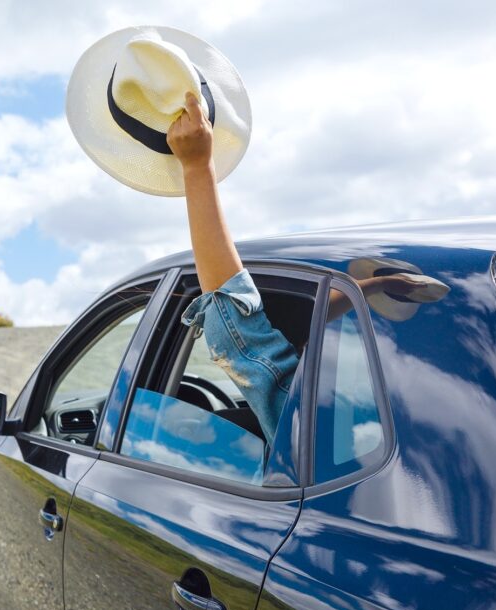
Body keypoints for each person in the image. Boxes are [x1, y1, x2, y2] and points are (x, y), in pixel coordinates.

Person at [166, 92, 428, 444]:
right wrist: (371, 286)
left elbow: (235, 325)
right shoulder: (410, 415)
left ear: (296, 349)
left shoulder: (309, 425)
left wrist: (197, 168)